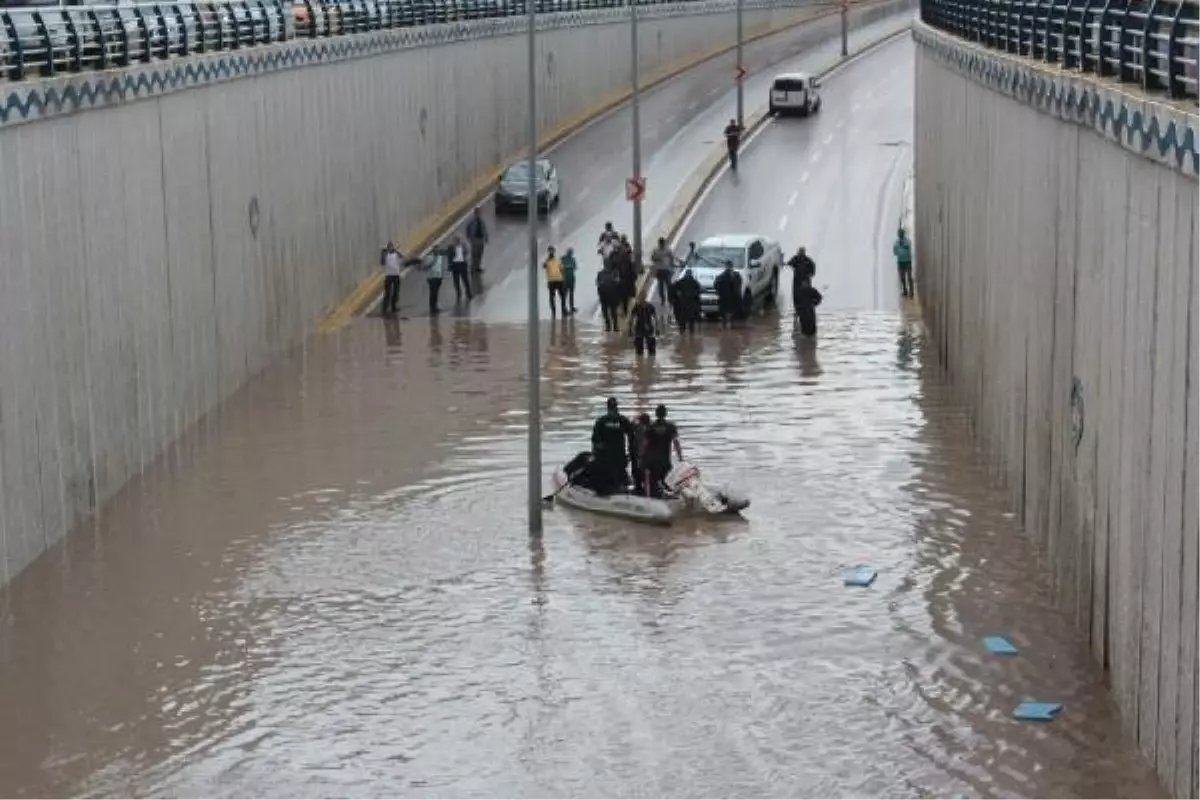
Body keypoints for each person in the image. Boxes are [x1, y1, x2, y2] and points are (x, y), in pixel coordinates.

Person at [591, 397, 636, 495]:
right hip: (615, 456)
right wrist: (631, 452)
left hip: (611, 456)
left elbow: (595, 441)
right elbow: (632, 436)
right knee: (617, 476)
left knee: (614, 477)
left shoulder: (602, 421)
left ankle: (617, 489)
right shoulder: (622, 420)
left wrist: (595, 453)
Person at [640, 404, 682, 498]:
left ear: (656, 414)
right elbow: (676, 442)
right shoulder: (671, 426)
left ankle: (655, 501)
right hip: (665, 460)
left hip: (652, 461)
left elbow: (645, 444)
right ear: (665, 414)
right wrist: (680, 457)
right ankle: (670, 498)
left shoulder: (650, 427)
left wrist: (642, 456)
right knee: (666, 482)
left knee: (653, 484)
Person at [713, 260, 742, 327]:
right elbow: (716, 285)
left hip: (734, 296)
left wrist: (737, 292)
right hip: (725, 296)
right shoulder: (721, 276)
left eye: (730, 266)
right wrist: (720, 292)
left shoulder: (736, 275)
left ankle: (732, 323)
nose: (729, 268)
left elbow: (739, 283)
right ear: (726, 266)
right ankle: (725, 323)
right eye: (728, 266)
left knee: (734, 311)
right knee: (724, 312)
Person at [674, 267, 702, 334]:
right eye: (687, 273)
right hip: (683, 302)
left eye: (689, 273)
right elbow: (675, 289)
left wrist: (694, 294)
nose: (688, 275)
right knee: (682, 318)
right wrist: (678, 294)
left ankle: (690, 330)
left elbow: (699, 290)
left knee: (690, 318)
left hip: (691, 302)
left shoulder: (694, 282)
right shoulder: (681, 282)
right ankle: (682, 330)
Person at [651, 237, 676, 309]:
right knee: (661, 287)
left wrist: (672, 268)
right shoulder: (656, 250)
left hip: (667, 270)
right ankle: (663, 300)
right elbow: (652, 258)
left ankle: (670, 300)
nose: (662, 245)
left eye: (662, 243)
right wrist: (657, 258)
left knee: (669, 286)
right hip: (659, 270)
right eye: (661, 243)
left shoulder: (668, 250)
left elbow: (671, 259)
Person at [422, 245, 447, 315]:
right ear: (433, 250)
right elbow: (425, 266)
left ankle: (435, 306)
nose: (437, 251)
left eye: (438, 250)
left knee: (436, 293)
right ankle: (432, 307)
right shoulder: (429, 257)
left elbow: (442, 266)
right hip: (431, 277)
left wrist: (442, 275)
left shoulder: (441, 257)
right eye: (436, 250)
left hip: (439, 277)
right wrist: (433, 260)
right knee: (433, 293)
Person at [597, 264, 622, 332]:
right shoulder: (600, 274)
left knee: (613, 312)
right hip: (604, 296)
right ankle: (609, 326)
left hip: (612, 296)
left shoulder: (614, 273)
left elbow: (618, 282)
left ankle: (615, 326)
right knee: (605, 312)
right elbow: (598, 283)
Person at [631, 412, 651, 495]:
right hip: (650, 455)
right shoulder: (651, 429)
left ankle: (640, 489)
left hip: (641, 455)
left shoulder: (640, 429)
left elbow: (642, 444)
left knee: (638, 473)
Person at [543, 246, 566, 317]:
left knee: (562, 296)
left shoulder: (557, 260)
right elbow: (544, 266)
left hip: (559, 280)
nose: (551, 252)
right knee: (552, 297)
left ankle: (563, 311)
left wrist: (563, 278)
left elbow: (562, 268)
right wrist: (545, 264)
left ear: (554, 251)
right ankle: (553, 312)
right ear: (548, 252)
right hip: (551, 281)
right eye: (550, 251)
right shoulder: (546, 261)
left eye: (552, 251)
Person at [466, 207, 489, 273]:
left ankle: (477, 267)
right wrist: (469, 237)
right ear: (475, 213)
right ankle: (472, 268)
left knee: (480, 254)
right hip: (474, 239)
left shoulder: (481, 221)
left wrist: (486, 238)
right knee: (474, 254)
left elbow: (484, 229)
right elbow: (467, 228)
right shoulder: (471, 221)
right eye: (477, 212)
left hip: (481, 239)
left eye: (479, 212)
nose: (479, 214)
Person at [450, 235, 472, 302]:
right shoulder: (451, 248)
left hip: (462, 264)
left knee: (465, 280)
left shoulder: (463, 246)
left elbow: (468, 252)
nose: (456, 242)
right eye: (455, 240)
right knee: (456, 281)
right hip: (455, 266)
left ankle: (468, 293)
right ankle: (459, 293)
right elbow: (448, 256)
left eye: (457, 240)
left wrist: (466, 259)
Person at [893, 228, 914, 297]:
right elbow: (895, 252)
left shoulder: (907, 241)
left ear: (903, 234)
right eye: (899, 234)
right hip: (900, 262)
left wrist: (902, 246)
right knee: (902, 278)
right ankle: (905, 291)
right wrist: (898, 248)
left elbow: (908, 248)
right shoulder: (896, 242)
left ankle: (911, 292)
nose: (900, 235)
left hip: (907, 261)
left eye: (901, 234)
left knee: (909, 277)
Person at [561, 247, 579, 314]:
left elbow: (575, 267)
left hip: (571, 278)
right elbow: (561, 267)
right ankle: (564, 308)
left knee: (571, 294)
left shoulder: (573, 259)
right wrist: (568, 267)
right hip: (565, 279)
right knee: (565, 295)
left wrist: (568, 267)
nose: (571, 253)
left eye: (571, 252)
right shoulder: (563, 259)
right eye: (570, 252)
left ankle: (572, 307)